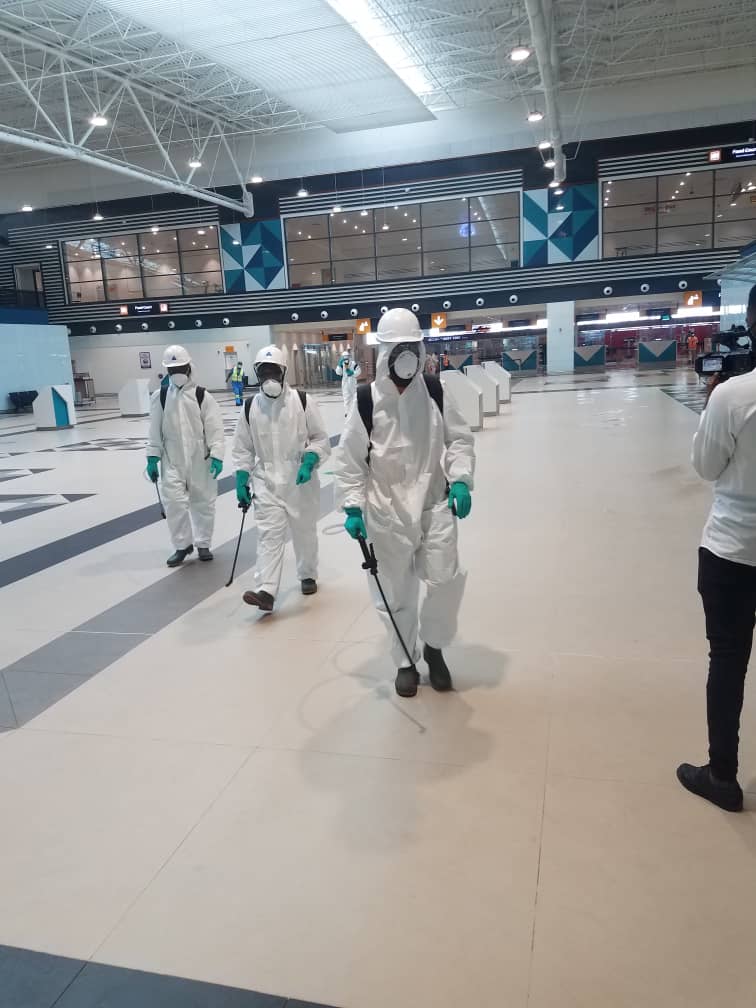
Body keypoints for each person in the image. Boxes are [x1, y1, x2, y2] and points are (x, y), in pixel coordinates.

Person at [335, 308, 475, 698]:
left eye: (410, 348)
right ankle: (405, 661)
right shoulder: (366, 400)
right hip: (385, 510)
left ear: (420, 347)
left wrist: (461, 480)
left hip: (434, 503)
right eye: (397, 349)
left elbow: (459, 439)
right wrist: (351, 507)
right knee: (395, 594)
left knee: (445, 579)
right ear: (384, 354)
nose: (404, 358)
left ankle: (434, 647)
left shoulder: (435, 391)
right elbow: (349, 461)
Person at [678, 283, 756, 812]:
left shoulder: (733, 395)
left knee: (727, 659)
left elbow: (705, 467)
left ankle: (722, 776)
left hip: (733, 548)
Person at [232, 345, 331, 612]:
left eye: (274, 372)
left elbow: (321, 438)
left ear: (284, 372)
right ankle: (266, 590)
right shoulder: (250, 407)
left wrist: (310, 459)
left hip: (300, 481)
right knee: (268, 536)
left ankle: (307, 574)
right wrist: (241, 477)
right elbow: (243, 448)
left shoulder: (302, 401)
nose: (269, 378)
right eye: (263, 373)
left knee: (304, 533)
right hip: (266, 482)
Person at [146, 345, 225, 567]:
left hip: (201, 458)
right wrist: (152, 457)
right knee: (173, 503)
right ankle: (182, 545)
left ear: (189, 367)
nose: (177, 373)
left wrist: (217, 455)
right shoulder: (160, 397)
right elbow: (154, 430)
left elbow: (215, 429)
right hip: (172, 459)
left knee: (204, 502)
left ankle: (203, 544)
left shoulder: (202, 396)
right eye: (172, 369)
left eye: (180, 367)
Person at [335, 351, 362, 416]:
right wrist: (339, 365)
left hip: (352, 381)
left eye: (347, 357)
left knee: (354, 397)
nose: (346, 359)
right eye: (344, 357)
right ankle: (347, 412)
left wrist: (353, 373)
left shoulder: (353, 363)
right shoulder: (342, 364)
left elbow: (359, 371)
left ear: (349, 357)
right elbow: (338, 372)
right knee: (346, 398)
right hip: (345, 383)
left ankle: (355, 411)